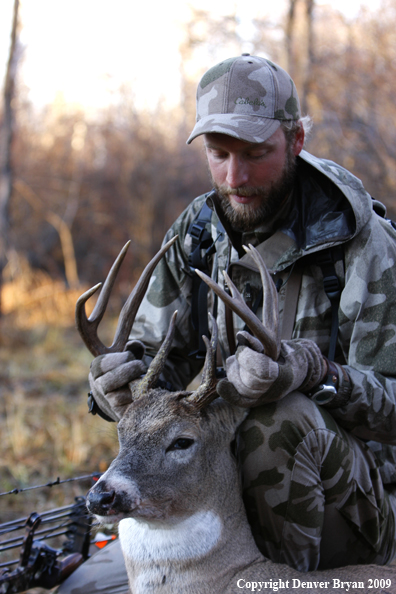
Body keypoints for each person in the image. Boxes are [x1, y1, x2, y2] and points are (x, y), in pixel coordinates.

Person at [59, 54, 396, 592]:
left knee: (276, 419)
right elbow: (153, 377)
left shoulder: (364, 247)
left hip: (360, 505)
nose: (235, 177)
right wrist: (113, 386)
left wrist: (315, 374)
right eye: (219, 154)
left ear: (296, 141)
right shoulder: (195, 234)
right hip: (219, 498)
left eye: (256, 154)